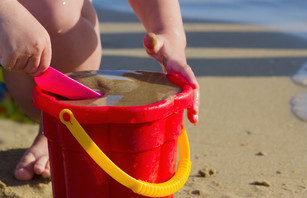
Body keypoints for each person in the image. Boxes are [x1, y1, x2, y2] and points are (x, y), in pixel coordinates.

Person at [0, 0, 199, 181]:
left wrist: (168, 31)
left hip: (20, 72)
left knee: (53, 7)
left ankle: (53, 127)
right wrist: (7, 13)